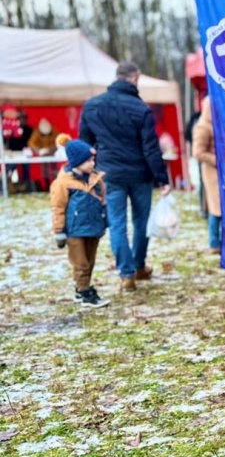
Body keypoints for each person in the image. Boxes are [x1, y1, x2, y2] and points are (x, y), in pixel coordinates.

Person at [79, 61, 171, 292]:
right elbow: (151, 148)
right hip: (140, 174)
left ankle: (126, 274)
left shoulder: (92, 106)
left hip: (109, 173)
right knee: (141, 222)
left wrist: (85, 171)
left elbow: (85, 144)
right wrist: (162, 178)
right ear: (135, 78)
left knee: (117, 223)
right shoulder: (141, 108)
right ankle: (139, 266)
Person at [50, 140, 110, 309]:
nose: (92, 164)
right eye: (88, 161)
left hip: (93, 228)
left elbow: (103, 202)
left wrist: (105, 220)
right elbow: (57, 207)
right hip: (74, 230)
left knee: (90, 260)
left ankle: (81, 288)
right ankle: (84, 291)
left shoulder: (96, 180)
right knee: (80, 262)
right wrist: (59, 231)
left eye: (93, 160)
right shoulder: (63, 183)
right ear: (76, 162)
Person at [192, 95, 221, 255]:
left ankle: (221, 241)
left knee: (222, 207)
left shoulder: (217, 125)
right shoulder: (202, 127)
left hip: (222, 171)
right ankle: (214, 242)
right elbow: (198, 152)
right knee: (215, 208)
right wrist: (218, 160)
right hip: (212, 171)